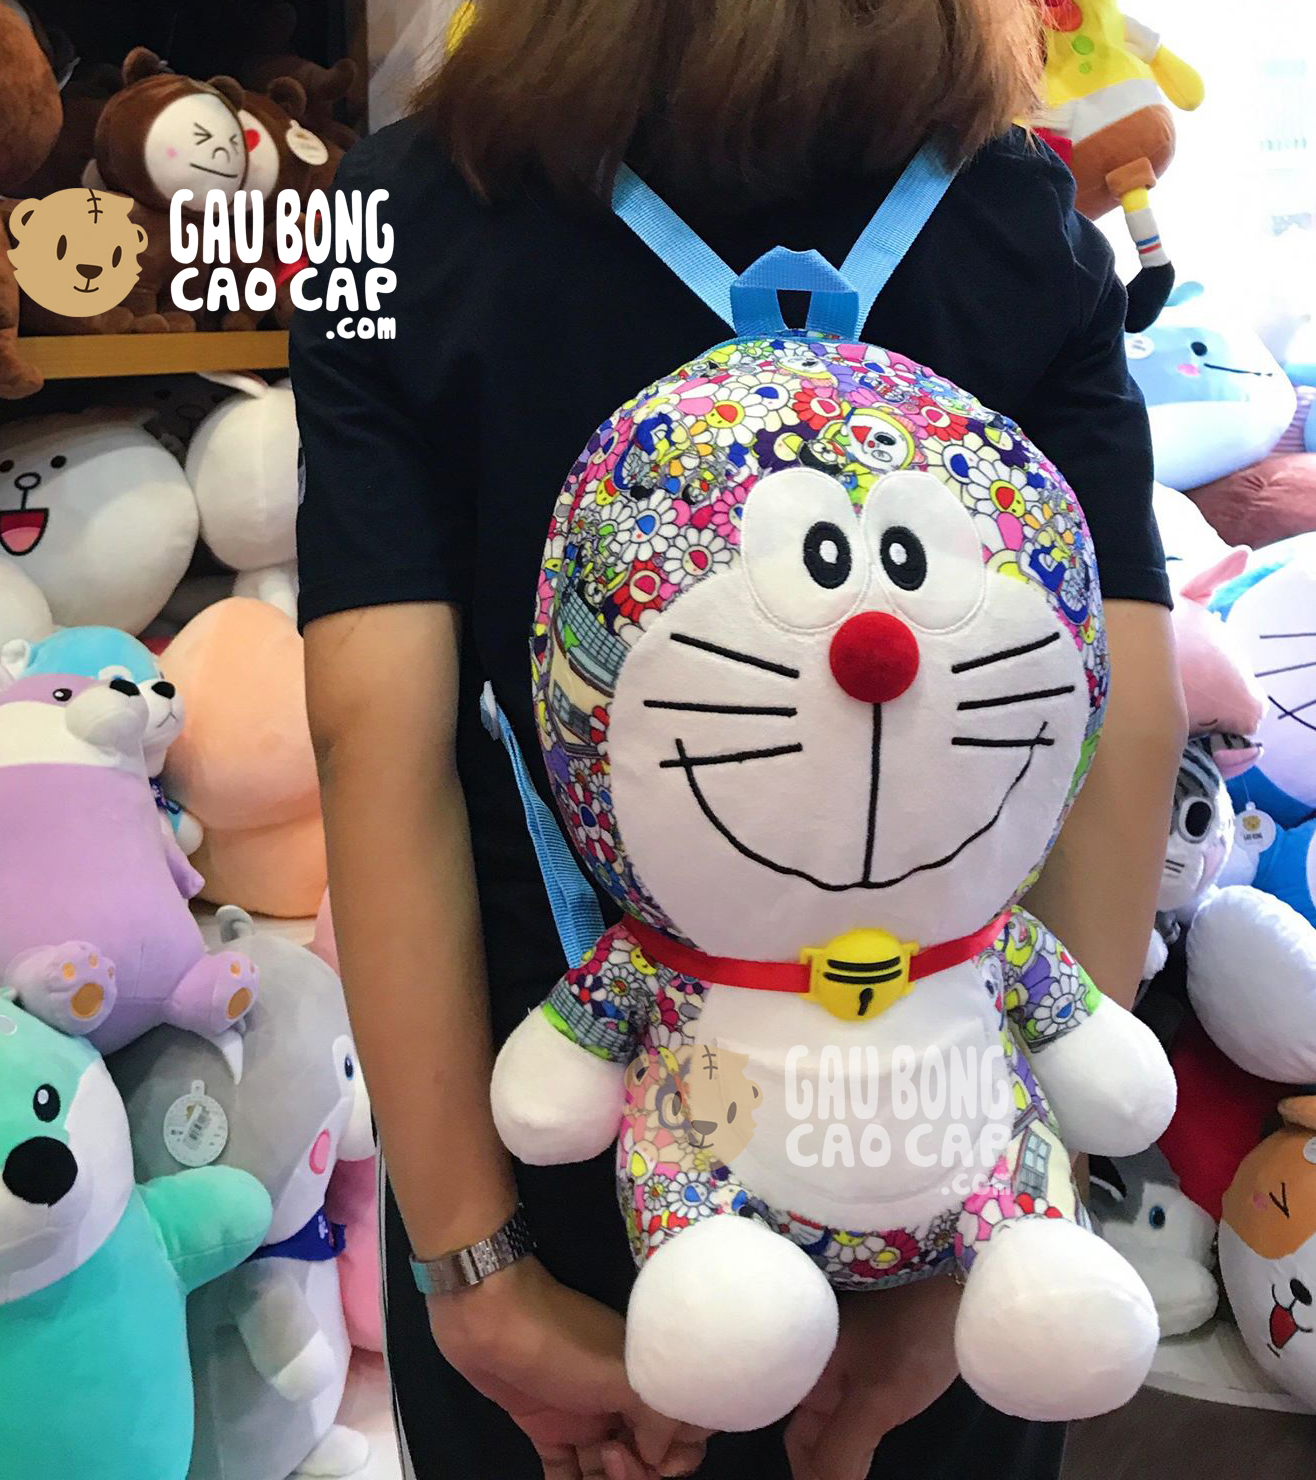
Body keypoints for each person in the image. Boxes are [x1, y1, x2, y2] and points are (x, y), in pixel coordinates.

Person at [294, 2, 1186, 1476]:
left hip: (562, 1137)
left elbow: (368, 739)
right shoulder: (1020, 210)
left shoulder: (388, 212)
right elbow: (1123, 722)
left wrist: (478, 1277)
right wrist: (999, 1228)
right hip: (945, 1134)